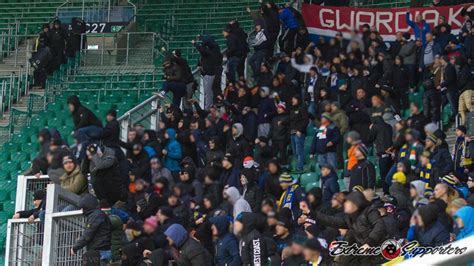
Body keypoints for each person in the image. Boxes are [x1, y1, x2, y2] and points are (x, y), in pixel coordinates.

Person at [71, 194, 112, 264]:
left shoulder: (96, 215)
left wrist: (75, 247)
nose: (81, 210)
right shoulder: (98, 215)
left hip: (100, 252)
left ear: (87, 206)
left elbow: (88, 234)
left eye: (83, 208)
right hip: (102, 251)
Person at [289, 95, 309, 172]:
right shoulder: (292, 110)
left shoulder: (302, 108)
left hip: (299, 133)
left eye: (294, 99)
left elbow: (305, 120)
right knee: (295, 152)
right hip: (292, 133)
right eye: (292, 99)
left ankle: (299, 167)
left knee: (299, 151)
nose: (292, 101)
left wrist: (300, 130)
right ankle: (298, 165)